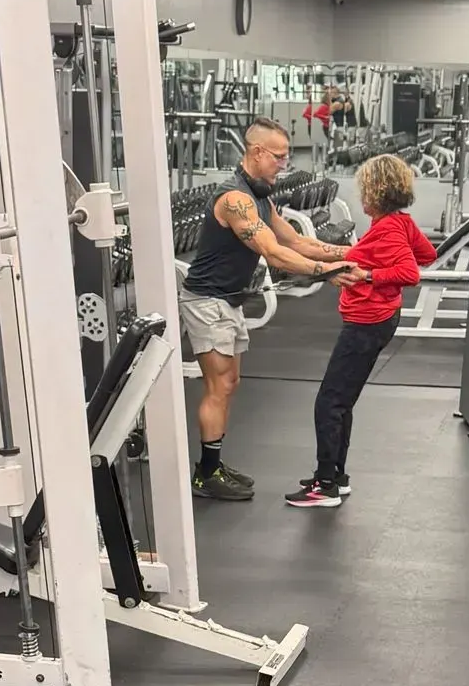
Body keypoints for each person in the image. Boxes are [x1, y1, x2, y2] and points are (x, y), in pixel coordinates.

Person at [180, 118, 351, 501]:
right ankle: (206, 473)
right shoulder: (235, 200)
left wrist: (349, 254)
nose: (282, 165)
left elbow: (296, 241)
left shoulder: (261, 197)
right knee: (218, 385)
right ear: (256, 153)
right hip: (207, 301)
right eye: (278, 157)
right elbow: (274, 253)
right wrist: (327, 273)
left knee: (230, 384)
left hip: (230, 300)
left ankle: (214, 463)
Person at [286, 153, 435, 509]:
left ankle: (324, 487)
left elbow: (411, 273)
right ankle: (335, 475)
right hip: (381, 319)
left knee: (329, 402)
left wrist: (369, 274)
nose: (361, 196)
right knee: (342, 400)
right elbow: (426, 254)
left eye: (364, 189)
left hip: (366, 323)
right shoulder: (400, 222)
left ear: (376, 191)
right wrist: (367, 260)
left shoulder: (387, 229)